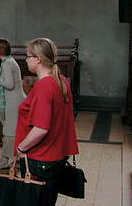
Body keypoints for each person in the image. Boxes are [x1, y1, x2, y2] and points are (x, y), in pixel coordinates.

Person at [15, 38, 78, 206]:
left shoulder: (44, 86)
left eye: (28, 56)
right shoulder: (60, 80)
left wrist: (21, 148)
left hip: (41, 158)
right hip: (54, 156)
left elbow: (41, 128)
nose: (26, 60)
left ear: (38, 59)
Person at [0, 38, 25, 170]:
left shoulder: (8, 63)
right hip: (13, 101)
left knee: (10, 132)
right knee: (12, 131)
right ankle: (14, 159)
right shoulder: (7, 62)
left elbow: (9, 85)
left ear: (1, 49)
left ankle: (6, 160)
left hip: (14, 102)